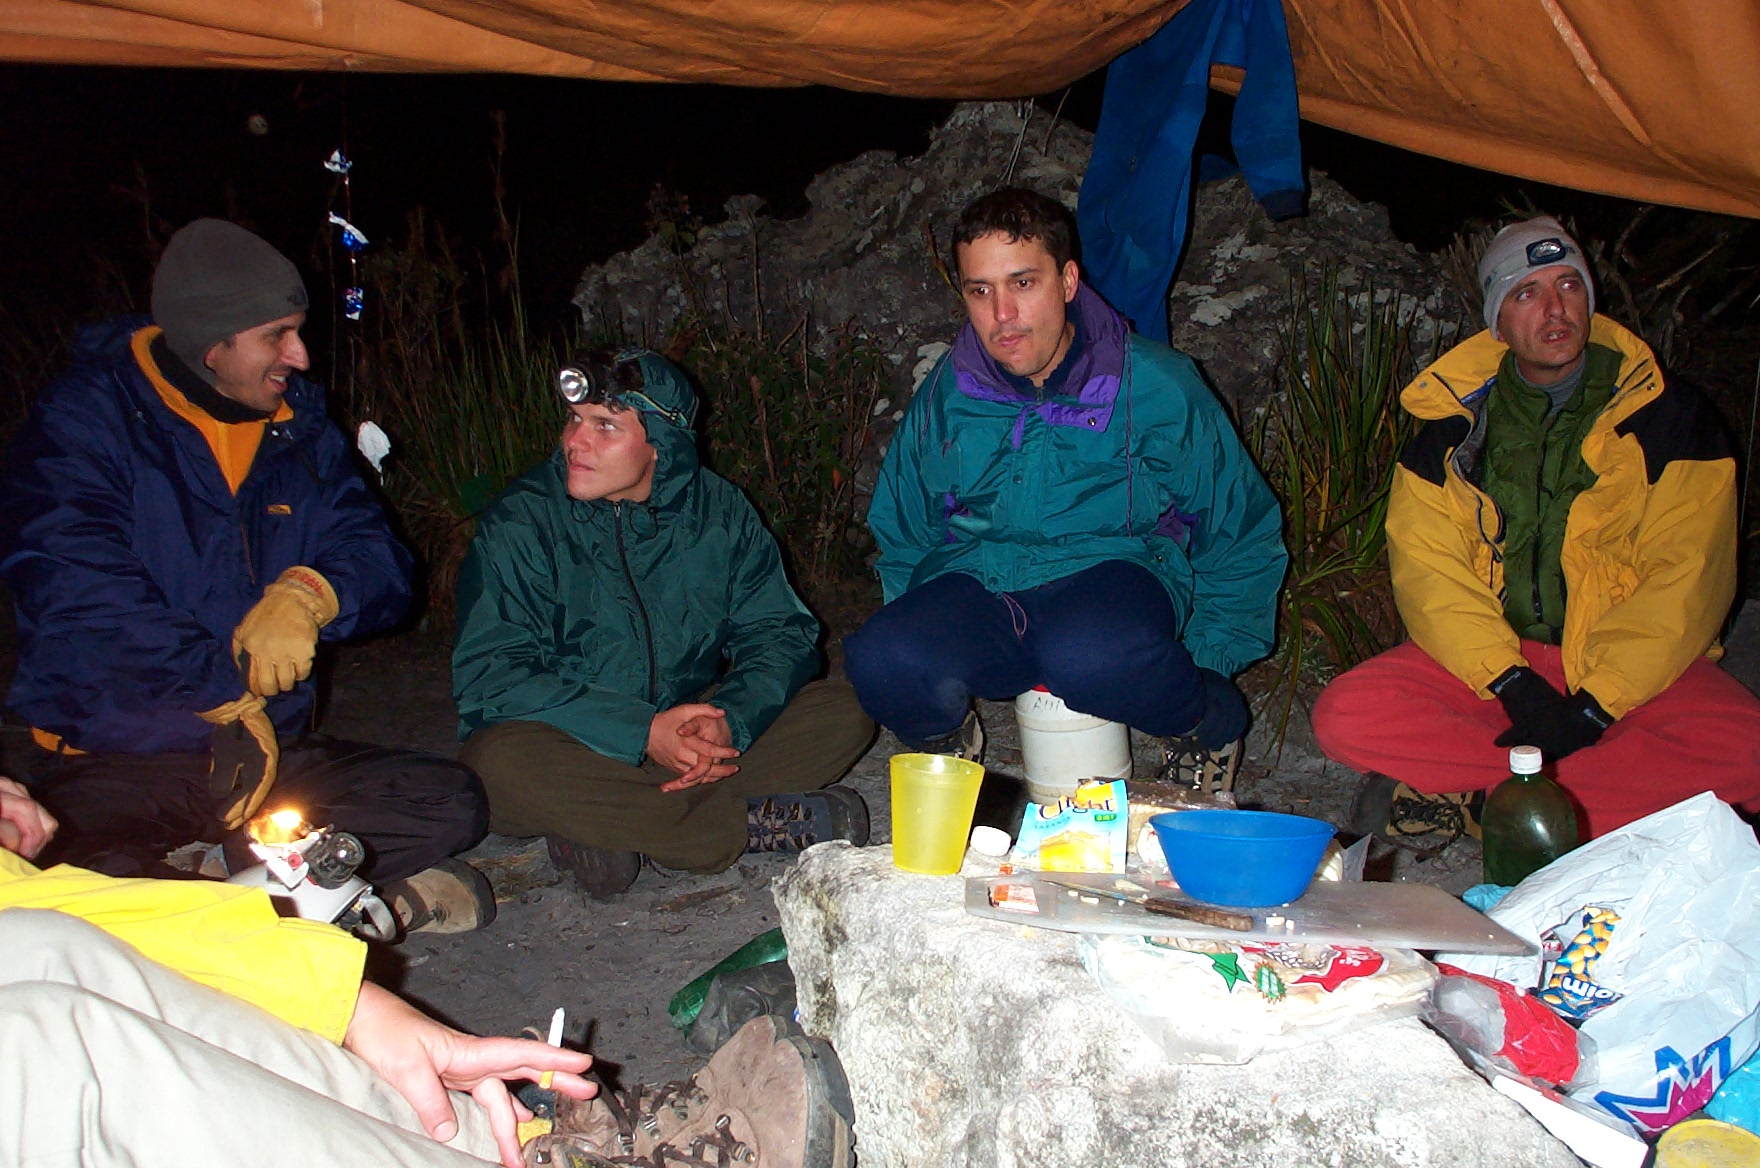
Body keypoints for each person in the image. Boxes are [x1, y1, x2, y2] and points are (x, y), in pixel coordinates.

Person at [0, 218, 493, 933]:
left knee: (449, 799)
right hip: (120, 759)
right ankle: (303, 899)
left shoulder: (298, 429)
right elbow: (78, 596)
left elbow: (380, 559)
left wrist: (313, 592)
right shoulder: (84, 422)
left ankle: (210, 893)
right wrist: (222, 689)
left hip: (270, 756)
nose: (300, 354)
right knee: (57, 866)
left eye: (299, 331)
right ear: (213, 342)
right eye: (277, 335)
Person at [0, 776, 851, 1168]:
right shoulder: (533, 522)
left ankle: (522, 1147)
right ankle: (670, 820)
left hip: (246, 758)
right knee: (43, 1048)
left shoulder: (715, 515)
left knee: (48, 952)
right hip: (146, 760)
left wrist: (350, 1006)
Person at [1312, 215, 1760, 847]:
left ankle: (1489, 802)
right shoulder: (1453, 426)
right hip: (1504, 657)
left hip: (1628, 663)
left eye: (1569, 286)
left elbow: (1689, 579)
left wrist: (1597, 704)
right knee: (1345, 715)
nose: (1555, 309)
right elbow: (1430, 573)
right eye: (1527, 293)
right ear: (1497, 322)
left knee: (1751, 753)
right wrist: (1510, 681)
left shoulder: (1669, 416)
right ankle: (1580, 802)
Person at [844, 188, 1287, 788]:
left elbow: (1238, 527)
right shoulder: (948, 393)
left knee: (1090, 656)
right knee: (881, 657)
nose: (1002, 315)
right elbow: (904, 526)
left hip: (1114, 573)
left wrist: (1205, 663)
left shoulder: (1154, 384)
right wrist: (919, 643)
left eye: (1023, 283)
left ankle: (1204, 728)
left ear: (1068, 280)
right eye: (980, 291)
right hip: (983, 579)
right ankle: (950, 744)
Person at [453, 347, 875, 899]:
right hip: (568, 741)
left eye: (605, 426)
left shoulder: (718, 511)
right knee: (494, 767)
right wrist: (641, 731)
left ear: (661, 442)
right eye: (575, 420)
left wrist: (730, 723)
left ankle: (607, 827)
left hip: (678, 738)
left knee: (844, 710)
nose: (576, 441)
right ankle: (725, 830)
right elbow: (491, 676)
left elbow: (779, 633)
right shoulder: (522, 521)